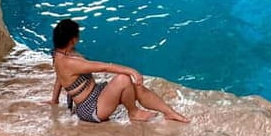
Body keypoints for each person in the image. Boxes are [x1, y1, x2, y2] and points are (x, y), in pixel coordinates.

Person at [48, 19, 189, 123]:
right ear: (72, 40)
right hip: (91, 108)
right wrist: (132, 71)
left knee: (135, 88)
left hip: (95, 95)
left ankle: (169, 112)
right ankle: (133, 112)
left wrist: (54, 100)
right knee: (123, 79)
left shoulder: (58, 55)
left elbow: (59, 78)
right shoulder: (71, 62)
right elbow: (104, 67)